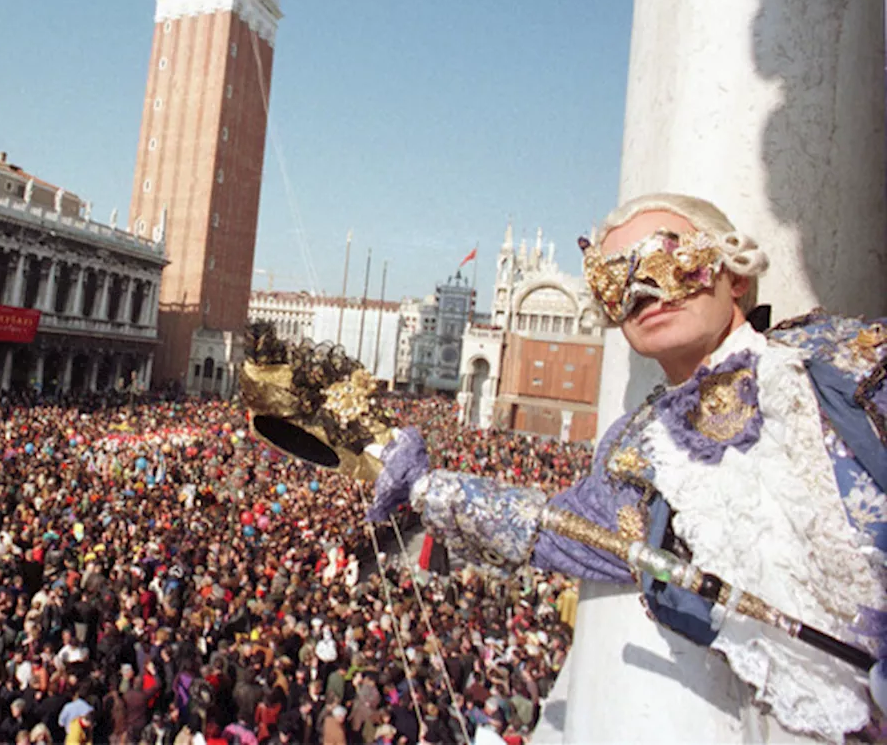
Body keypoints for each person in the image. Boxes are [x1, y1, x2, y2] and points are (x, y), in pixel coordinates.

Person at [367, 193, 886, 742]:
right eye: (616, 278)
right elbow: (560, 530)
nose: (642, 288)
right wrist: (424, 486)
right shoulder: (638, 451)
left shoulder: (849, 361)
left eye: (670, 257)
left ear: (734, 274)